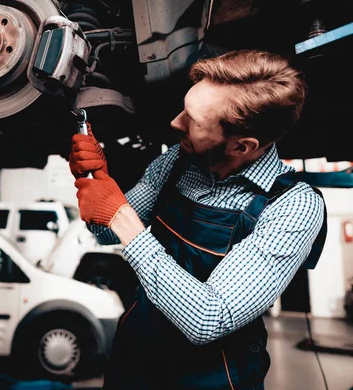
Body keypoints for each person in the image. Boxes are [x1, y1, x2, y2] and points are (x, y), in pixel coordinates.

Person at [69, 49, 327, 389]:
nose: (176, 123)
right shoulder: (177, 162)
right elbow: (106, 233)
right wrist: (98, 182)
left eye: (195, 121)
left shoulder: (292, 206)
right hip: (133, 361)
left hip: (211, 377)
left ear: (242, 146)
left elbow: (208, 318)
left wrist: (122, 217)